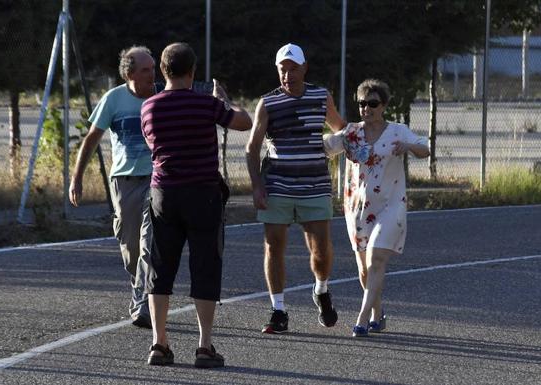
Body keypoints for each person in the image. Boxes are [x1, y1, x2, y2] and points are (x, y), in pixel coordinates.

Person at [141, 42, 252, 367]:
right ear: (193, 71)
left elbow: (152, 144)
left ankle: (159, 343)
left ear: (163, 70)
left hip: (164, 193)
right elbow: (243, 122)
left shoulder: (149, 107)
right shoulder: (207, 105)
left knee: (160, 268)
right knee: (205, 266)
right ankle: (204, 345)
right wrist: (223, 100)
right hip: (203, 193)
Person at [245, 43, 346, 334]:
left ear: (304, 68)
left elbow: (340, 127)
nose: (287, 75)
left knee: (320, 251)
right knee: (273, 246)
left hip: (314, 185)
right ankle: (278, 310)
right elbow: (252, 150)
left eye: (292, 69)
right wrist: (257, 186)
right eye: (282, 69)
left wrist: (356, 138)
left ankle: (321, 289)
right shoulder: (268, 103)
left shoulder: (320, 96)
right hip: (277, 184)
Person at [323, 79, 430, 337]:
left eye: (372, 103)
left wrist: (409, 147)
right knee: (364, 269)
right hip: (357, 209)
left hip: (391, 206)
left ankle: (361, 320)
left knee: (376, 259)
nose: (366, 108)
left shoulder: (397, 131)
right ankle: (377, 314)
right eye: (362, 103)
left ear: (383, 105)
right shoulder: (350, 133)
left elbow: (424, 149)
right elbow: (325, 147)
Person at [69, 46, 161, 329]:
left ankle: (143, 302)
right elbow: (92, 138)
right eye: (146, 70)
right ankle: (139, 286)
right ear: (130, 73)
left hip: (156, 179)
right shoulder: (114, 99)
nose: (152, 75)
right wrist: (77, 177)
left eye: (154, 68)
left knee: (150, 242)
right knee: (130, 244)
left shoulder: (161, 96)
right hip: (124, 180)